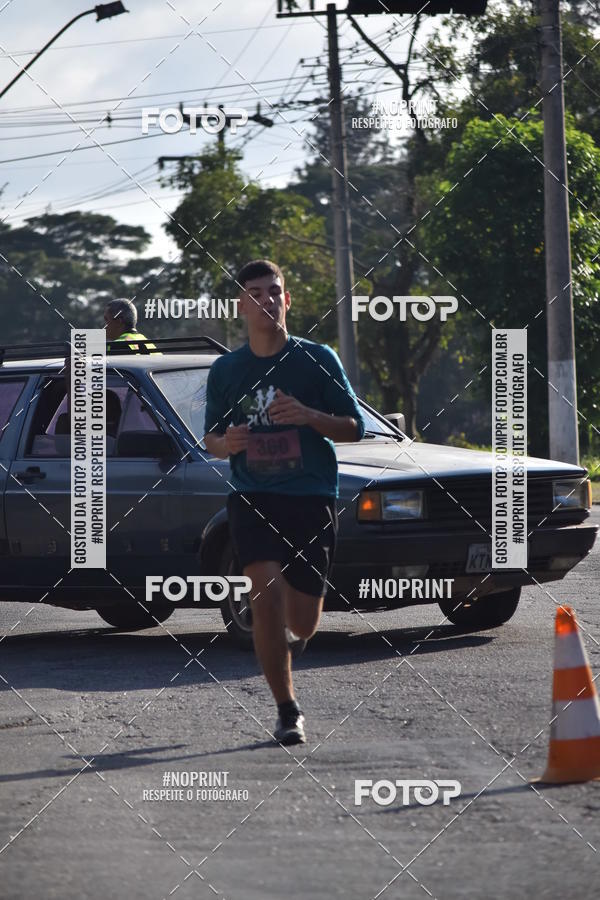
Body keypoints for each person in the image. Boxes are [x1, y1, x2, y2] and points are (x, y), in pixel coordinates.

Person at [203, 259, 365, 746]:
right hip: (252, 496)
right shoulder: (227, 370)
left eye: (274, 291)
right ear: (241, 305)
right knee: (264, 594)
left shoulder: (317, 359)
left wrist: (309, 415)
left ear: (287, 300)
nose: (266, 300)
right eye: (255, 293)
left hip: (310, 496)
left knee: (303, 621)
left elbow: (354, 428)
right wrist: (226, 443)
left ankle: (288, 639)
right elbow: (210, 438)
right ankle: (287, 710)